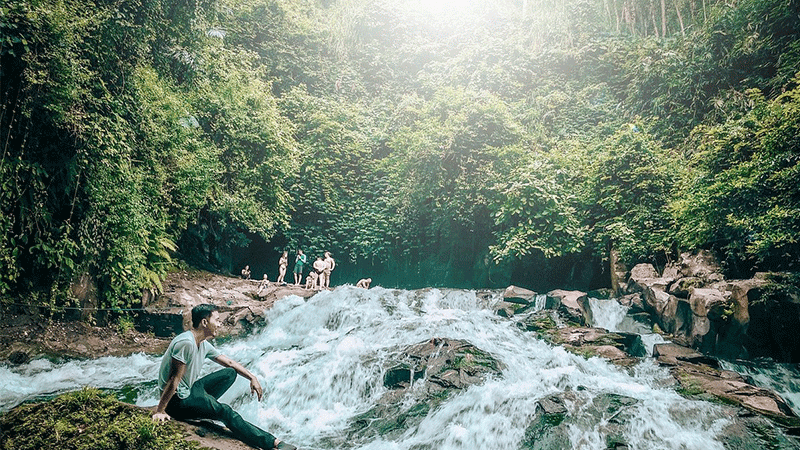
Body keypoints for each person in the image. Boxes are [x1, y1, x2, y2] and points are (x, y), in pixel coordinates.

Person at [152, 304, 296, 450]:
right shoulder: (186, 343)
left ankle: (206, 407)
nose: (220, 324)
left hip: (188, 391)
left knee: (230, 372)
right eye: (217, 320)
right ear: (204, 322)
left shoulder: (202, 343)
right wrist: (160, 411)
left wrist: (252, 377)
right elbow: (174, 379)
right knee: (225, 411)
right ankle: (273, 443)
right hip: (177, 402)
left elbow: (229, 362)